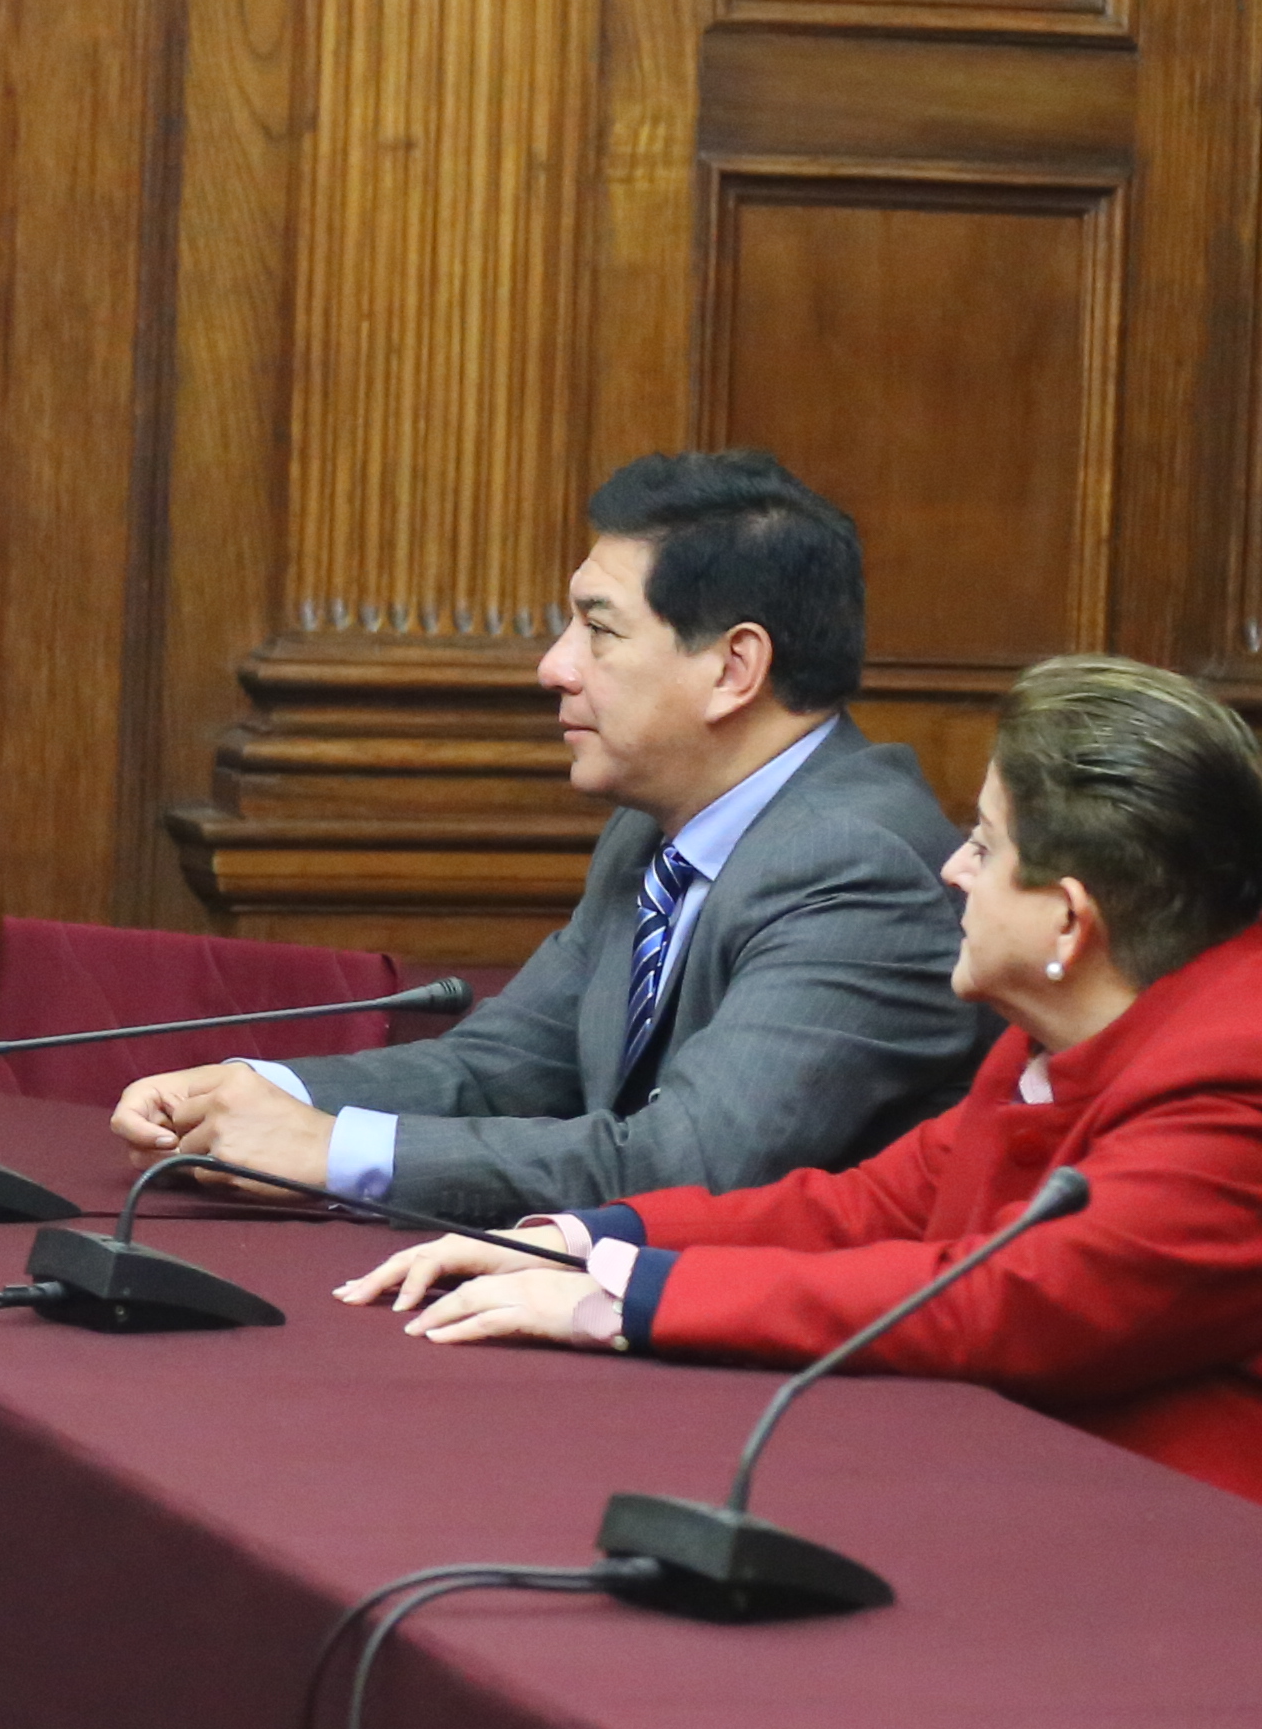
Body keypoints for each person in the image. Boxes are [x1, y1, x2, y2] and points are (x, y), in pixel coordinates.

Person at [340, 656, 1262, 1504]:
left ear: (1068, 922)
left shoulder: (1229, 1077)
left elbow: (1013, 1302)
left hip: (1180, 1555)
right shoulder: (1061, 1036)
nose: (952, 870)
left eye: (984, 847)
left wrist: (626, 1300)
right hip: (1019, 1488)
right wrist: (582, 1239)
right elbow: (868, 1208)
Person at [110, 451, 988, 1224]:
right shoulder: (652, 829)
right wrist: (259, 1097)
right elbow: (508, 1064)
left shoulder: (854, 864)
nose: (554, 666)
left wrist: (329, 1153)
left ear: (733, 668)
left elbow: (686, 1164)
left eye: (599, 630)